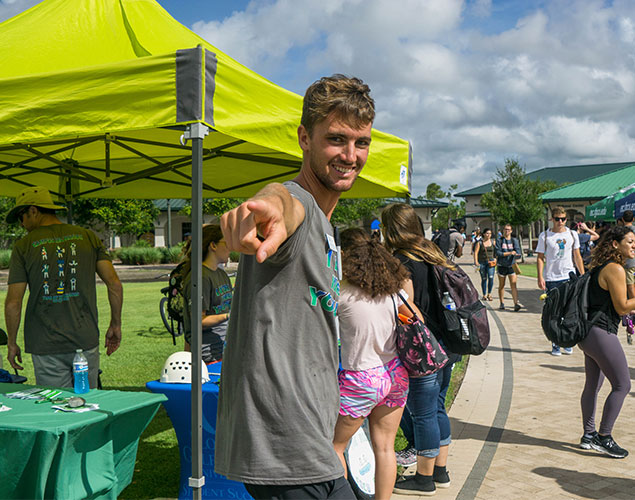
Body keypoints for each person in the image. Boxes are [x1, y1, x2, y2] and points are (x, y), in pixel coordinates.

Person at [215, 74, 375, 499]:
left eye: (361, 143)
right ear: (304, 137)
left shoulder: (326, 227)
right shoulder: (298, 202)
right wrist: (264, 211)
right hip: (287, 446)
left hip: (314, 440)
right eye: (336, 139)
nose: (350, 155)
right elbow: (281, 203)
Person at [4, 186, 122, 388]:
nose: (21, 224)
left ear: (33, 210)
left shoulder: (24, 246)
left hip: (46, 343)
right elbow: (114, 284)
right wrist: (115, 324)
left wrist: (12, 342)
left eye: (20, 217)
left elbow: (14, 301)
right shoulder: (87, 237)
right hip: (85, 340)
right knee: (88, 404)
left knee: (57, 409)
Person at [382, 203, 460, 497]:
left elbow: (407, 303)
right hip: (449, 344)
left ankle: (423, 480)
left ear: (392, 230)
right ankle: (440, 471)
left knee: (423, 413)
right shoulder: (432, 252)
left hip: (425, 348)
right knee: (437, 408)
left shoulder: (404, 259)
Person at [333, 228, 411, 500]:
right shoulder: (392, 293)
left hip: (360, 378)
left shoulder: (341, 294)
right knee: (386, 448)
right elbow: (416, 320)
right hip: (396, 374)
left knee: (334, 448)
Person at [578, 225, 635, 458]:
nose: (634, 245)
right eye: (630, 241)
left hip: (588, 333)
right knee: (623, 385)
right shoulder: (615, 269)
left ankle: (588, 435)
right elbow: (622, 307)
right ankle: (604, 437)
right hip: (601, 333)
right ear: (615, 244)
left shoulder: (601, 265)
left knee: (593, 385)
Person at [536, 207, 585, 355]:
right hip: (552, 278)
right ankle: (556, 342)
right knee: (553, 311)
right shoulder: (545, 236)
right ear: (552, 219)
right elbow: (540, 257)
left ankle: (567, 341)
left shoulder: (572, 234)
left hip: (568, 276)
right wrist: (540, 276)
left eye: (563, 219)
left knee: (569, 310)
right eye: (557, 219)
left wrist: (582, 275)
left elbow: (577, 256)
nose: (560, 222)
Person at [181, 224, 232, 363]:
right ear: (213, 246)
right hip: (207, 356)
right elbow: (199, 321)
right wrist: (229, 316)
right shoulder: (200, 278)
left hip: (223, 350)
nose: (230, 247)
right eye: (226, 243)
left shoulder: (222, 274)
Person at [495, 224, 522, 311]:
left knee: (513, 285)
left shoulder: (514, 240)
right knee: (502, 285)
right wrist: (509, 253)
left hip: (512, 265)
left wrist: (517, 255)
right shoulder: (499, 240)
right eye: (505, 229)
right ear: (503, 230)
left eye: (508, 230)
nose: (507, 231)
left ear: (511, 231)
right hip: (502, 265)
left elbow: (518, 252)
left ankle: (515, 303)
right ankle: (502, 303)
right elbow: (498, 253)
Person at [473, 228, 496, 301]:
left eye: (490, 233)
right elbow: (476, 252)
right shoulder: (479, 243)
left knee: (491, 277)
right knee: (484, 279)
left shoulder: (493, 242)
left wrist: (496, 258)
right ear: (483, 234)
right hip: (482, 262)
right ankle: (484, 294)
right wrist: (476, 262)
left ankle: (489, 293)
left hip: (491, 262)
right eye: (487, 233)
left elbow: (496, 251)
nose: (488, 235)